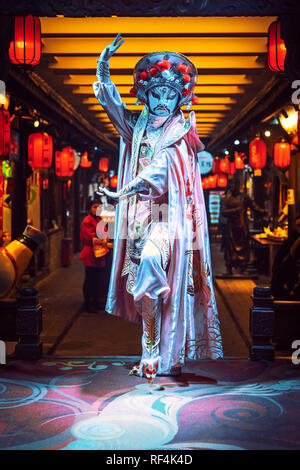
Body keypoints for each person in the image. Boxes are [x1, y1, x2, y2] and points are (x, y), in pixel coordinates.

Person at [95, 34, 223, 383]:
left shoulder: (182, 133)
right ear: (146, 95)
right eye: (156, 94)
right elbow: (113, 109)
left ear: (180, 97)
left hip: (169, 218)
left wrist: (135, 184)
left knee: (154, 263)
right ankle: (152, 351)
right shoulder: (135, 129)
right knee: (145, 289)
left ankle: (160, 351)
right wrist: (103, 70)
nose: (164, 100)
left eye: (170, 94)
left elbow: (169, 168)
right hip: (138, 219)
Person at [220, 181, 268, 274]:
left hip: (242, 226)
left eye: (235, 185)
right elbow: (223, 212)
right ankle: (229, 267)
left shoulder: (244, 198)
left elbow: (255, 208)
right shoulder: (226, 199)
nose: (233, 187)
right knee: (230, 247)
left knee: (244, 247)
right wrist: (235, 211)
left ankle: (243, 267)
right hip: (231, 227)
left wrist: (264, 212)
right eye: (231, 186)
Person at [79, 198, 109, 313]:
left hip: (100, 252)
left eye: (99, 207)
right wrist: (103, 238)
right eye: (94, 207)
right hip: (91, 253)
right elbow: (91, 236)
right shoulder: (87, 220)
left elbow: (105, 233)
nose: (97, 209)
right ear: (90, 208)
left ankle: (96, 301)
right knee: (90, 279)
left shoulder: (100, 219)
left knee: (98, 279)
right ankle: (88, 303)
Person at [271, 216, 300, 300]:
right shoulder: (294, 237)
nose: (299, 228)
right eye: (297, 225)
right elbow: (284, 256)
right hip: (286, 276)